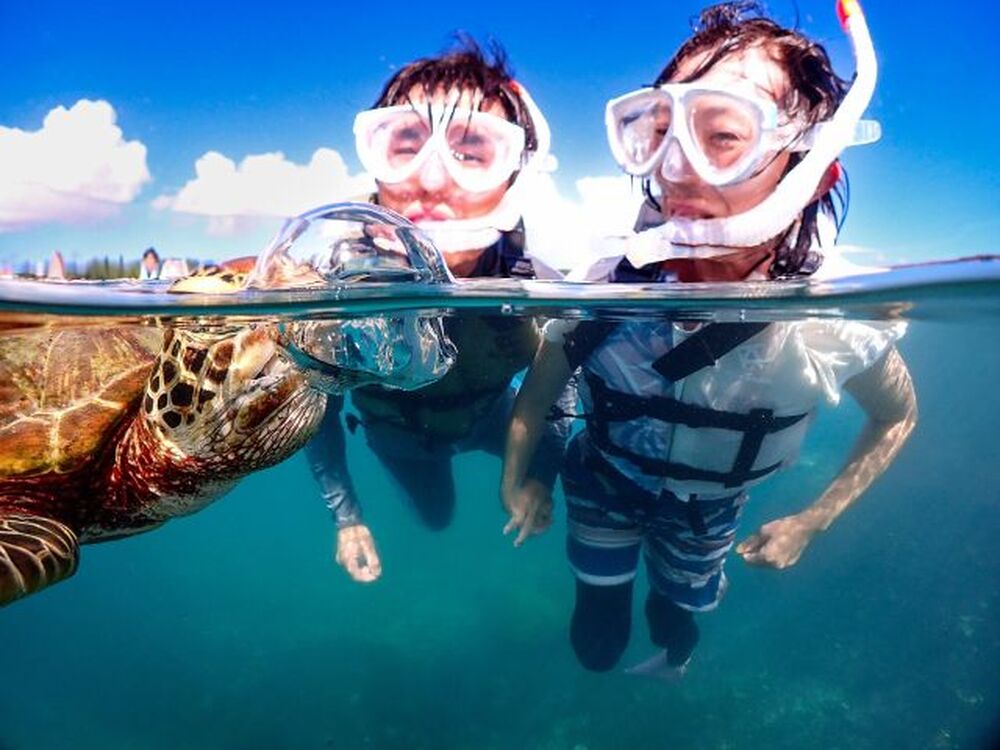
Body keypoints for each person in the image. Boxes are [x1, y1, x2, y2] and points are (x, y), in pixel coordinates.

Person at [501, 0, 917, 676]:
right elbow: (540, 392)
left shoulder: (837, 318)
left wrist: (813, 519)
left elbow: (897, 416)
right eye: (660, 133)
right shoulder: (602, 283)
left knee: (675, 620)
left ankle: (674, 645)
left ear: (815, 171)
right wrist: (515, 479)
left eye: (723, 135)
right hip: (603, 482)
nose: (676, 168)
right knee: (595, 645)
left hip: (707, 513)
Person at [307, 40, 570, 583]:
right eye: (405, 146)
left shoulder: (536, 289)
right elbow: (314, 413)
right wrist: (347, 519)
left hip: (494, 420)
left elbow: (560, 393)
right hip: (402, 441)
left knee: (587, 461)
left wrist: (540, 475)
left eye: (472, 154)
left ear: (514, 176)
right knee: (437, 517)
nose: (430, 181)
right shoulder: (334, 290)